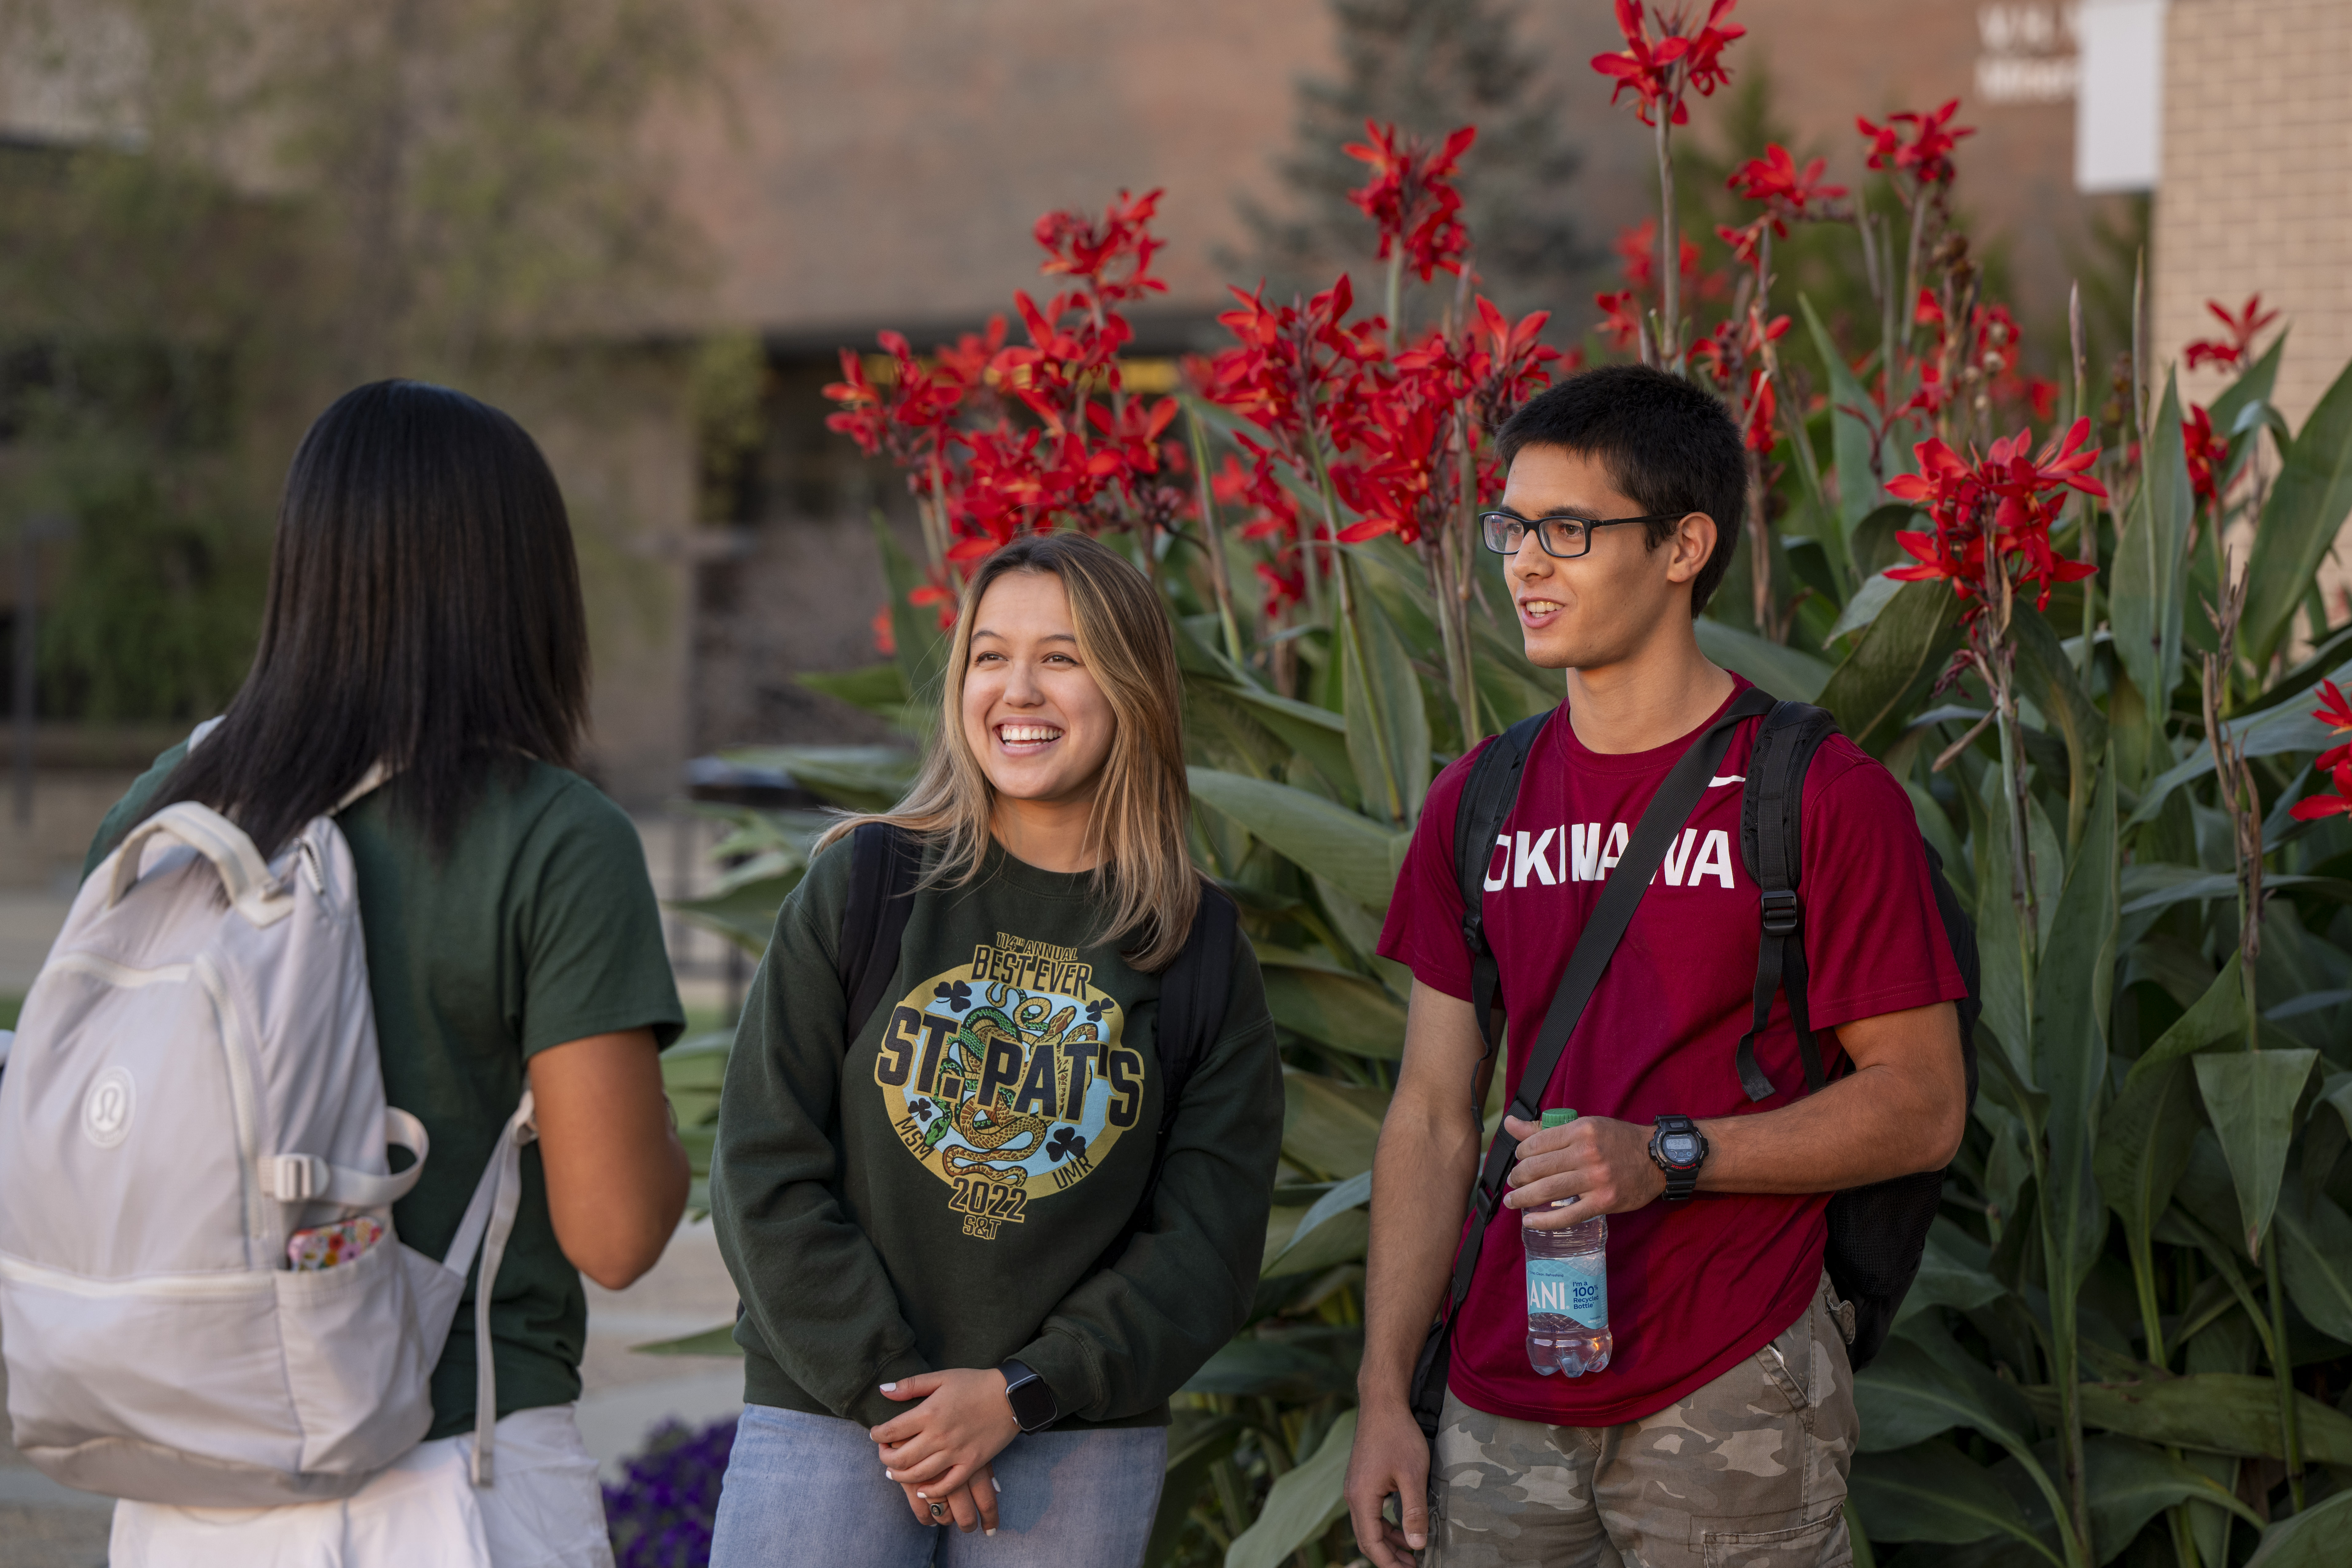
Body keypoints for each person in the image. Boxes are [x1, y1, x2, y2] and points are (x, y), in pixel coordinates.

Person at [1344, 364, 1970, 1568]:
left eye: (1567, 531)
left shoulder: (1817, 796)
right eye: (1510, 528)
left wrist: (1668, 1156)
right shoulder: (1476, 800)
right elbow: (1428, 1117)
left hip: (1729, 1384)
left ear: (1684, 546)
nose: (1522, 564)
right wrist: (1383, 1398)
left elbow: (1921, 1108)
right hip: (1498, 1391)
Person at [84, 379, 690, 1567]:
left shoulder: (172, 808)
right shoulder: (551, 837)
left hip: (183, 1476)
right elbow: (614, 1233)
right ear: (521, 587)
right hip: (451, 1469)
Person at [707, 532, 1283, 1568]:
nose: (1019, 690)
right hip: (831, 1419)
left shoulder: (1196, 949)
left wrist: (1019, 1393)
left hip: (1075, 1439)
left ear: (1133, 688)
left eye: (1063, 657)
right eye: (989, 655)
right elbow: (763, 1166)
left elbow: (1206, 1244)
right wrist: (904, 1405)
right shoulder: (864, 886)